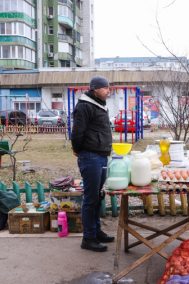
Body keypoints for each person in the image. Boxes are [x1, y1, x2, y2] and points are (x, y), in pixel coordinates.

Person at [71, 76, 114, 252]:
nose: (108, 91)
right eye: (105, 88)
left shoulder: (99, 104)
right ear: (95, 89)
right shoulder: (84, 105)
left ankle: (96, 231)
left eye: (108, 88)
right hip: (90, 156)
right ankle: (88, 238)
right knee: (90, 199)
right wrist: (77, 149)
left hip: (101, 156)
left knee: (97, 196)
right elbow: (78, 132)